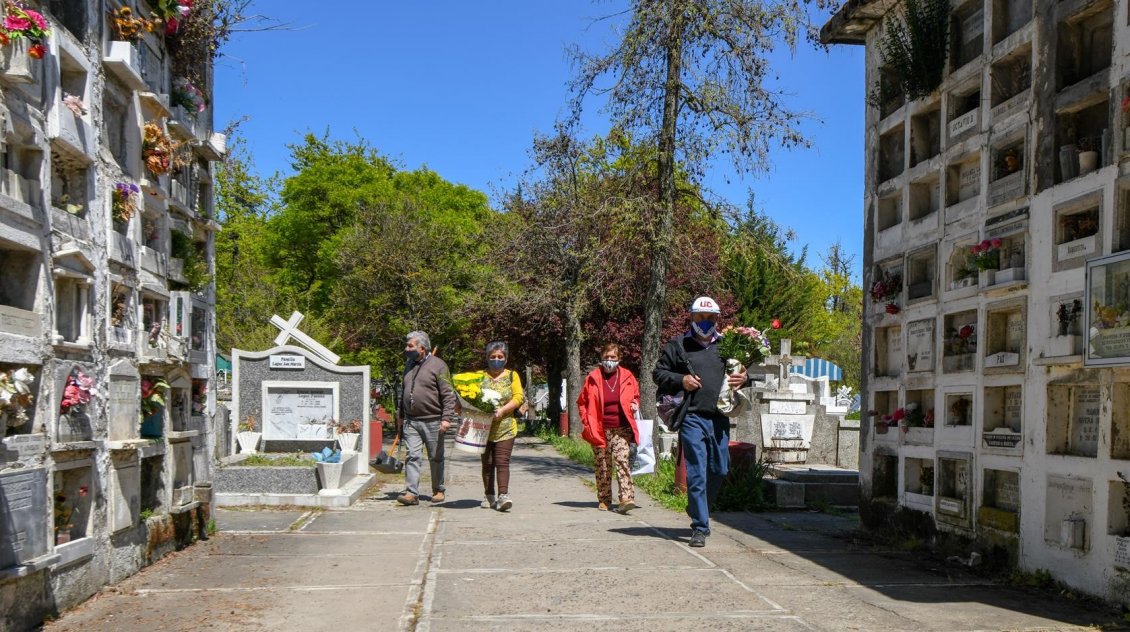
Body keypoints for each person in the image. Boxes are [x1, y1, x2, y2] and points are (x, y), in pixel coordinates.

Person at [652, 296, 748, 547]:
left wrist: (744, 378)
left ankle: (697, 508)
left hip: (719, 418)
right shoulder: (678, 345)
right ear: (691, 317)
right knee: (696, 472)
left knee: (719, 469)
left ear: (717, 319)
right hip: (691, 416)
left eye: (710, 318)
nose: (705, 322)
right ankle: (700, 527)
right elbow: (658, 373)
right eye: (700, 317)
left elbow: (741, 374)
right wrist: (681, 380)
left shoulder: (727, 346)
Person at [577, 343, 640, 513]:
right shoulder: (593, 378)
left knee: (622, 461)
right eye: (606, 357)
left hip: (621, 428)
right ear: (601, 358)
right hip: (599, 429)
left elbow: (635, 396)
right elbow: (582, 402)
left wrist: (635, 404)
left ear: (619, 359)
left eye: (613, 357)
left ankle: (626, 498)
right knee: (603, 465)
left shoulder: (628, 376)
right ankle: (604, 499)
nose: (609, 360)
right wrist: (586, 420)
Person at [397, 331, 456, 506]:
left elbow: (448, 394)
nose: (406, 349)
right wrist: (400, 415)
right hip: (411, 421)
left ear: (422, 348)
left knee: (435, 457)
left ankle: (438, 489)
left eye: (410, 346)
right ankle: (411, 493)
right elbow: (404, 391)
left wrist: (446, 418)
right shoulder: (409, 364)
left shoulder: (439, 365)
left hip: (433, 420)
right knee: (412, 456)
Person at [469, 341, 524, 511]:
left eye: (500, 357)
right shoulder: (479, 376)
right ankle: (488, 494)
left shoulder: (512, 376)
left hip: (506, 426)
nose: (496, 360)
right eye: (493, 357)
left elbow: (518, 397)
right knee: (487, 463)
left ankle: (503, 495)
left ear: (506, 359)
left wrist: (503, 410)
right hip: (483, 428)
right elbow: (469, 396)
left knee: (502, 461)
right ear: (487, 358)